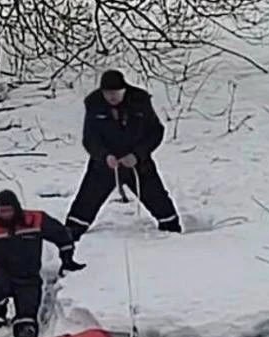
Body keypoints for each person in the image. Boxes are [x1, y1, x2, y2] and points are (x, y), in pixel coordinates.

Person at [64, 69, 182, 241]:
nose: (112, 97)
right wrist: (104, 156)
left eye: (116, 93)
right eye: (107, 93)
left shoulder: (140, 101)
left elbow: (156, 132)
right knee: (87, 198)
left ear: (124, 89)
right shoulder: (94, 103)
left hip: (136, 162)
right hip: (105, 163)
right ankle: (72, 232)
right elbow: (90, 139)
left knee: (156, 197)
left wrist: (137, 155)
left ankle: (171, 228)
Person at [0, 189, 86, 337]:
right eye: (2, 211)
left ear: (16, 208)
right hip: (1, 275)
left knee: (27, 315)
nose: (6, 215)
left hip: (28, 277)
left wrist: (67, 260)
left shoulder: (36, 220)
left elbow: (61, 235)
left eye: (9, 210)